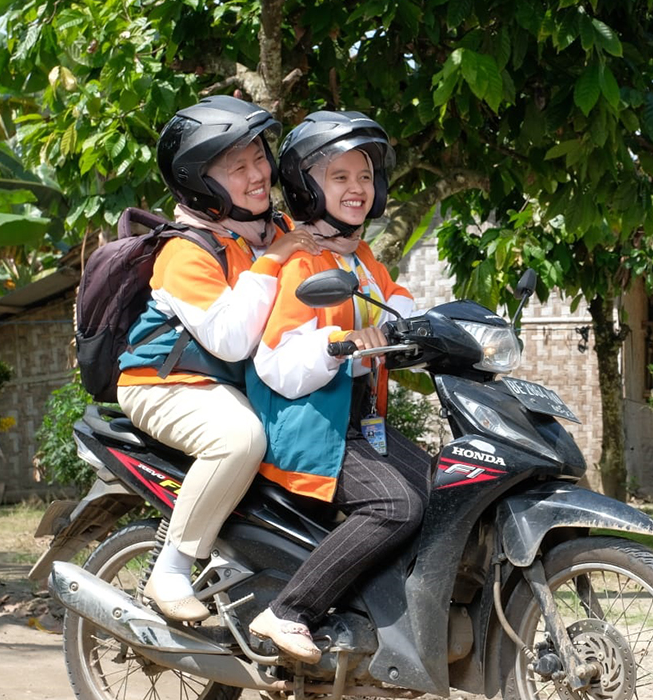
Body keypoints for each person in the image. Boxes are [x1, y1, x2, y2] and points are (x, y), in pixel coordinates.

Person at [116, 95, 321, 622]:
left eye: (260, 158)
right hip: (164, 385)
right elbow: (232, 339)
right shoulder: (186, 252)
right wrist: (275, 258)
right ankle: (173, 568)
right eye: (238, 168)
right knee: (240, 439)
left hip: (231, 384)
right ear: (200, 184)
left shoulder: (271, 229)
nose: (258, 175)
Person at [244, 111, 430, 663]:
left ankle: (382, 614)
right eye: (340, 177)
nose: (357, 189)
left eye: (365, 177)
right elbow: (278, 364)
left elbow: (397, 300)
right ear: (308, 186)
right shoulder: (301, 263)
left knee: (445, 486)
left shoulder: (359, 255)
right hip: (310, 428)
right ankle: (286, 611)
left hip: (357, 423)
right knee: (395, 505)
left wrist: (420, 327)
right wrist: (342, 345)